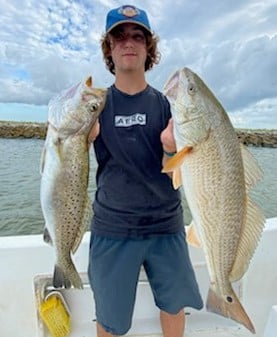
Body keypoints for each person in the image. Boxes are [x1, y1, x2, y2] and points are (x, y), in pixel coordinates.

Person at [88, 5, 203, 337]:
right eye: (119, 36)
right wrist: (82, 139)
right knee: (109, 319)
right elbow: (65, 163)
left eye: (138, 36)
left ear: (148, 48)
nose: (129, 43)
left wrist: (170, 146)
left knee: (173, 305)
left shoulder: (169, 105)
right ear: (109, 48)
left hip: (166, 226)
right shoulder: (95, 106)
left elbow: (182, 170)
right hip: (112, 228)